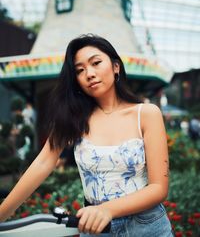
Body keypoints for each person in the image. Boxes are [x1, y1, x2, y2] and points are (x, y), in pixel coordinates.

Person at [0, 34, 173, 236]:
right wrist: (1, 214)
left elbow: (158, 188)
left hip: (147, 226)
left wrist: (107, 209)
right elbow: (43, 163)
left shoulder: (146, 113)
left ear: (116, 66)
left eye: (96, 63)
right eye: (80, 70)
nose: (89, 74)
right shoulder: (73, 118)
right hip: (94, 229)